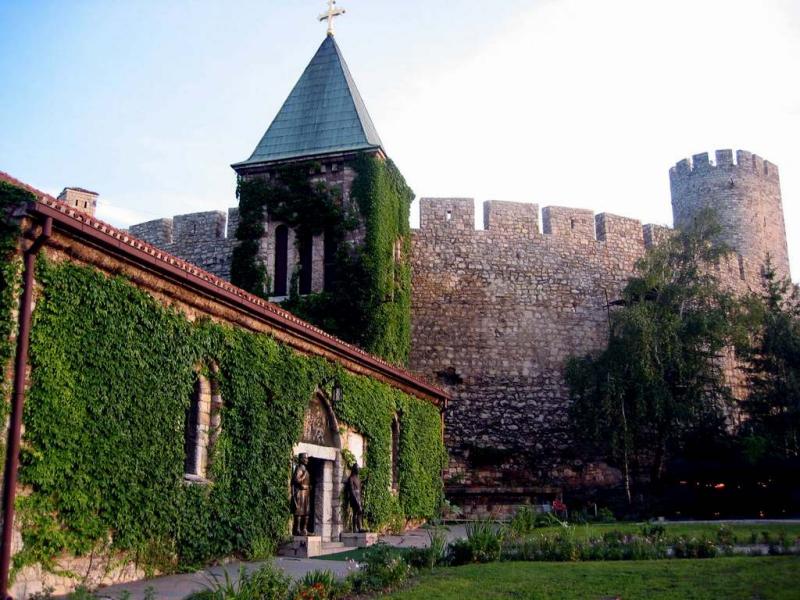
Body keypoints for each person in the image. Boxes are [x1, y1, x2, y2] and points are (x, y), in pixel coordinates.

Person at [292, 453, 311, 536]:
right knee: (299, 511)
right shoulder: (299, 469)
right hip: (300, 492)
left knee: (306, 512)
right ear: (301, 459)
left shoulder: (305, 469)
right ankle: (298, 529)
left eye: (307, 458)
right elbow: (296, 480)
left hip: (306, 493)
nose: (307, 460)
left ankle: (305, 529)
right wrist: (304, 475)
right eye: (305, 458)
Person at [346, 463, 365, 533]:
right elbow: (351, 490)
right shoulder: (351, 478)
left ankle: (360, 527)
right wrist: (356, 500)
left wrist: (365, 481)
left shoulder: (358, 478)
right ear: (354, 469)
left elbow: (360, 487)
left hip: (359, 497)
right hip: (354, 498)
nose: (358, 470)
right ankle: (355, 528)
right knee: (356, 512)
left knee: (360, 512)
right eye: (357, 469)